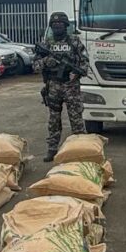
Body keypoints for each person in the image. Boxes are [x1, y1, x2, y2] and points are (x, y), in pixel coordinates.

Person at [34, 11, 88, 162]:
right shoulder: (46, 44)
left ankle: (81, 149)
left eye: (60, 25)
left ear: (65, 26)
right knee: (53, 119)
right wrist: (46, 61)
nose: (57, 27)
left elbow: (84, 61)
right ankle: (52, 149)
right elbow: (35, 66)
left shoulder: (74, 41)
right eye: (55, 25)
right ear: (51, 27)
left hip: (71, 86)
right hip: (53, 86)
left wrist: (77, 74)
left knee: (76, 119)